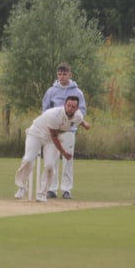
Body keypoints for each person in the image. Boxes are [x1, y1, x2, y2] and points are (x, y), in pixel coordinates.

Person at [14, 96, 90, 202]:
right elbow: (54, 137)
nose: (70, 109)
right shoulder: (54, 115)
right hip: (36, 133)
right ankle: (21, 187)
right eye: (68, 106)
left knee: (50, 165)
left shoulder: (78, 115)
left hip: (50, 139)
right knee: (28, 160)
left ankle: (42, 193)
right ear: (64, 105)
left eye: (73, 107)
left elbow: (78, 120)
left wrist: (85, 124)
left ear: (77, 109)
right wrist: (64, 152)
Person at [41, 62, 87, 199]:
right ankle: (52, 189)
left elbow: (82, 110)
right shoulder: (51, 91)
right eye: (60, 74)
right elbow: (45, 109)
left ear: (70, 75)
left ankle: (66, 189)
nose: (62, 77)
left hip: (69, 130)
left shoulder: (77, 92)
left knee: (68, 159)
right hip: (54, 130)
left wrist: (70, 120)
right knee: (53, 158)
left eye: (64, 74)